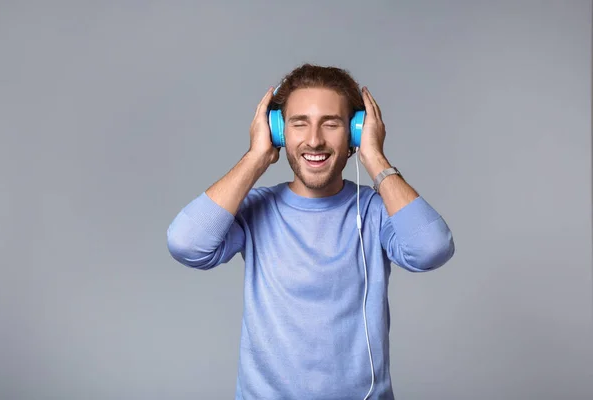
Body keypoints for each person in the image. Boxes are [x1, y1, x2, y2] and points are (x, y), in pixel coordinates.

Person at [166, 64, 455, 400]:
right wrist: (257, 156)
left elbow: (432, 248)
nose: (315, 140)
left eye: (331, 124)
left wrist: (374, 157)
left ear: (355, 132)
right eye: (298, 124)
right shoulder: (258, 208)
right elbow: (186, 244)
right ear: (278, 132)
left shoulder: (376, 210)